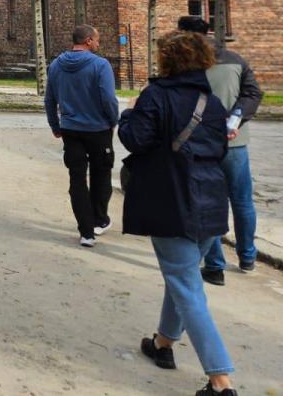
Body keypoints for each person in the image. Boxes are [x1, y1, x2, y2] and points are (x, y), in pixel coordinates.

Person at [119, 30, 237, 396]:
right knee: (183, 278)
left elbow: (136, 140)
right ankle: (163, 344)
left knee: (187, 288)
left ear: (168, 60)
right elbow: (219, 152)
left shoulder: (156, 96)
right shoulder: (211, 103)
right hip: (209, 202)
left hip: (171, 201)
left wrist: (128, 113)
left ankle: (221, 381)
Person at [176, 17, 263, 284]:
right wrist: (236, 117)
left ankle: (214, 265)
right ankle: (247, 258)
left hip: (201, 146)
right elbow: (253, 93)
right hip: (235, 143)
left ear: (186, 35)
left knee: (207, 203)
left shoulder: (183, 64)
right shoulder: (235, 59)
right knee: (242, 200)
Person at [44, 24, 119, 247]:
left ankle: (86, 232)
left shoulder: (56, 65)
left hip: (71, 129)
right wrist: (113, 120)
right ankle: (99, 219)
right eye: (97, 40)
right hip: (98, 129)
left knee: (77, 179)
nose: (98, 43)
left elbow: (50, 99)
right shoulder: (100, 65)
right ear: (88, 41)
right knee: (101, 174)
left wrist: (55, 125)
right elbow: (108, 98)